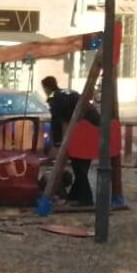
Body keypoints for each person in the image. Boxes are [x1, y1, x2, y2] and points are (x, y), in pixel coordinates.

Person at [40, 76, 91, 207]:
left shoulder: (55, 98)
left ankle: (86, 199)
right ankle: (75, 196)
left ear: (46, 88)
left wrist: (57, 142)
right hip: (92, 126)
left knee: (79, 166)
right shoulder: (68, 92)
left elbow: (56, 121)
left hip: (83, 129)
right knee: (80, 165)